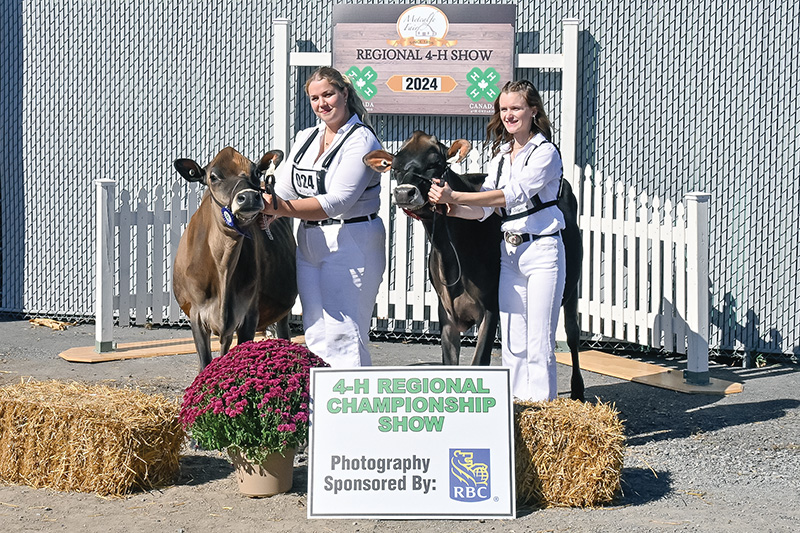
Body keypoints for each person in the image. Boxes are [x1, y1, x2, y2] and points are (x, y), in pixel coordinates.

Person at [428, 80, 566, 402]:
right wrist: (449, 207)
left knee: (538, 341)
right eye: (504, 109)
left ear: (533, 110)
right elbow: (484, 211)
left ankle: (542, 411)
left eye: (516, 108)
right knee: (514, 341)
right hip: (511, 251)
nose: (509, 115)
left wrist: (455, 194)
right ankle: (516, 408)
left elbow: (512, 194)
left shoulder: (545, 152)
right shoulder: (501, 156)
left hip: (543, 249)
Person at [261, 66, 385, 368]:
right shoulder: (306, 136)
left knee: (346, 333)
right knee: (316, 330)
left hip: (352, 239)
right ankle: (324, 408)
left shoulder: (362, 139)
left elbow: (339, 201)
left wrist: (276, 208)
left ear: (344, 93)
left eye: (328, 94)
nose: (322, 104)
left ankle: (355, 408)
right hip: (310, 239)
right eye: (315, 98)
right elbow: (287, 186)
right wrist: (266, 203)